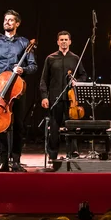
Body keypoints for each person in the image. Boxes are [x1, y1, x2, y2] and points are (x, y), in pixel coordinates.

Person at [0, 10, 38, 172]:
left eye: (10, 20)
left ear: (17, 24)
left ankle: (16, 160)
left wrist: (23, 69)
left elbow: (33, 66)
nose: (7, 22)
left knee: (19, 126)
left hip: (17, 90)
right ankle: (3, 162)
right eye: (5, 20)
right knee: (0, 125)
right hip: (0, 89)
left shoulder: (23, 43)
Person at [39, 31, 88, 161]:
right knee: (54, 128)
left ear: (70, 41)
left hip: (72, 99)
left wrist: (77, 82)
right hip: (55, 98)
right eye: (61, 39)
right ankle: (53, 155)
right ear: (58, 42)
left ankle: (73, 153)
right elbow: (44, 80)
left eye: (66, 39)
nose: (64, 42)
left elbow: (83, 75)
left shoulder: (75, 58)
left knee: (72, 127)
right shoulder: (50, 58)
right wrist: (44, 96)